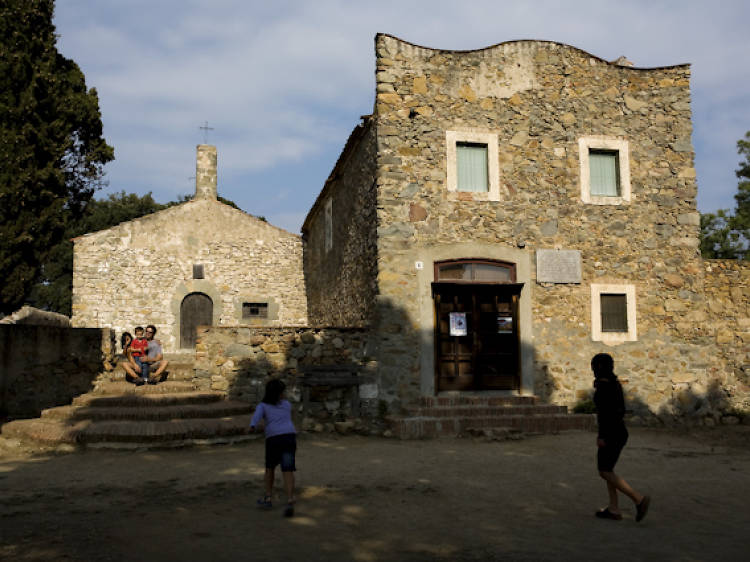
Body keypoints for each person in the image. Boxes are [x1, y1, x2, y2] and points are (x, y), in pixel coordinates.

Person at [591, 352, 650, 522]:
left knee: (604, 471)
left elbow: (605, 414)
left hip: (611, 433)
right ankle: (614, 508)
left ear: (598, 367)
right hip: (619, 431)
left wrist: (602, 436)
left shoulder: (604, 387)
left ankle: (638, 499)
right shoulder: (614, 384)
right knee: (608, 470)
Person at [250, 378, 297, 517]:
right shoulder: (287, 405)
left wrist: (252, 427)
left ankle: (269, 496)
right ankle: (290, 499)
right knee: (288, 469)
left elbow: (255, 419)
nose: (285, 394)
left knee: (270, 468)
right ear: (279, 393)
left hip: (273, 439)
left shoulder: (263, 406)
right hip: (289, 437)